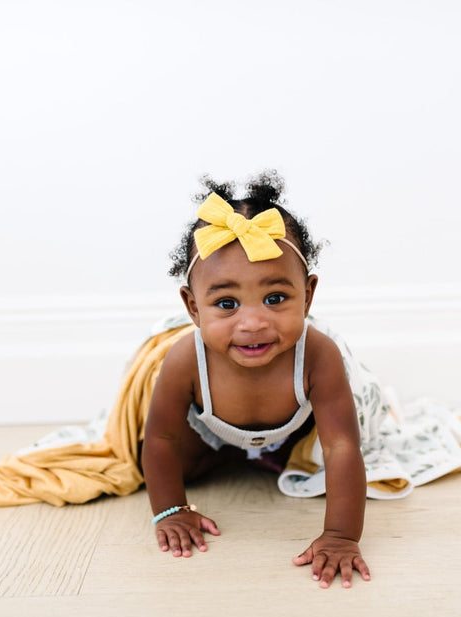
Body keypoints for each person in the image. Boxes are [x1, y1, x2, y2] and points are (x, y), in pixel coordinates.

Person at [140, 170, 371, 589]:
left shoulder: (317, 355)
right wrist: (170, 510)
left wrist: (341, 536)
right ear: (193, 308)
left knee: (324, 462)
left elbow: (341, 445)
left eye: (276, 298)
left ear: (309, 295)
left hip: (293, 432)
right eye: (226, 303)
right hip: (208, 432)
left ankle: (269, 458)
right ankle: (230, 457)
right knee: (175, 464)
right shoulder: (185, 360)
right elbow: (161, 439)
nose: (253, 323)